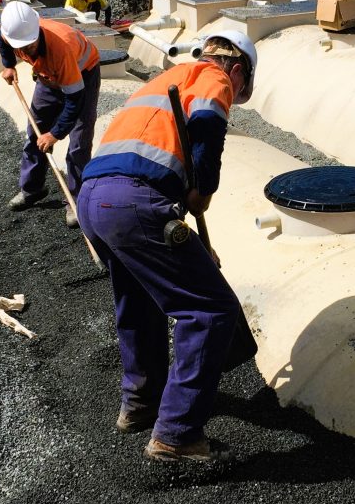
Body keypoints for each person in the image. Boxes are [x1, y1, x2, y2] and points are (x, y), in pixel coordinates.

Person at [76, 30, 257, 464]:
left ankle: (140, 403)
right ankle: (176, 434)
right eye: (240, 86)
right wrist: (203, 191)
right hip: (135, 203)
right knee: (211, 309)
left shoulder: (165, 80)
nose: (234, 91)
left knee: (138, 302)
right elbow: (209, 127)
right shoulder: (215, 76)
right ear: (236, 70)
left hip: (95, 199)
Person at [0, 2, 101, 228]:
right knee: (34, 133)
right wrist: (8, 65)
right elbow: (2, 40)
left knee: (78, 143)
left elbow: (74, 101)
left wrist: (55, 135)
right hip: (47, 75)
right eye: (20, 46)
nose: (25, 48)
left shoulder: (60, 50)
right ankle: (32, 189)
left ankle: (76, 201)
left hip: (82, 75)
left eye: (29, 44)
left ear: (37, 34)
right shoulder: (12, 32)